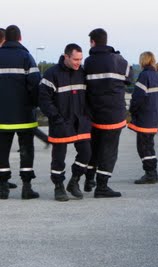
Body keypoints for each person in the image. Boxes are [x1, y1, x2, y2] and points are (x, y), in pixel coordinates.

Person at [39, 43, 91, 201]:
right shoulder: (51, 74)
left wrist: (87, 116)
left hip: (80, 122)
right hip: (60, 123)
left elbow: (90, 97)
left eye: (80, 59)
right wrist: (56, 118)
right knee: (58, 158)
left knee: (86, 153)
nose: (78, 63)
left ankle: (74, 181)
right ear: (66, 56)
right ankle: (58, 187)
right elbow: (44, 100)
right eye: (75, 59)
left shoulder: (82, 73)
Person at [82, 28, 130, 198]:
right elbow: (129, 77)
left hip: (93, 114)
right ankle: (102, 186)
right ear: (106, 40)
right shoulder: (119, 60)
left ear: (92, 42)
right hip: (114, 114)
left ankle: (89, 179)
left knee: (94, 148)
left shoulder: (87, 62)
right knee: (109, 151)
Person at [0, 25, 41, 200]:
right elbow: (36, 86)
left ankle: (2, 188)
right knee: (26, 151)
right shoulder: (26, 57)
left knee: (2, 151)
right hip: (25, 116)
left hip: (1, 117)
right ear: (20, 38)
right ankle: (26, 187)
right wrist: (33, 105)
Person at [128, 52, 158, 184]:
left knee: (143, 147)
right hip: (154, 116)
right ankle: (153, 173)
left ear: (142, 61)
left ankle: (150, 174)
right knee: (149, 146)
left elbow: (138, 97)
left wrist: (131, 110)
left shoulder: (144, 75)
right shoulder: (156, 75)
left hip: (144, 117)